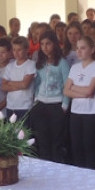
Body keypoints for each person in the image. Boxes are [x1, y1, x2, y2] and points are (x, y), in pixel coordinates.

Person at [30, 31, 70, 163]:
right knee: (42, 140)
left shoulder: (62, 63)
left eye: (48, 44)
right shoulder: (40, 62)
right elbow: (37, 82)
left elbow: (67, 84)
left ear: (54, 44)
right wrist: (36, 99)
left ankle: (57, 168)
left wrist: (64, 104)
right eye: (42, 44)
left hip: (56, 104)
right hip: (41, 103)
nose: (45, 47)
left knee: (56, 141)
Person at [64, 36, 95, 169]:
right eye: (77, 48)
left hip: (91, 112)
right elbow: (65, 91)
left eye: (83, 48)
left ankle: (91, 174)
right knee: (76, 146)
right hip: (76, 111)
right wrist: (81, 92)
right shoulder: (74, 67)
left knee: (89, 145)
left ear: (92, 50)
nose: (79, 51)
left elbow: (90, 91)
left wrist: (73, 87)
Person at [2, 37, 37, 122]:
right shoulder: (10, 66)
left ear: (26, 50)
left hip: (24, 106)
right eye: (14, 50)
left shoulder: (30, 65)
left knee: (24, 134)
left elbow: (25, 84)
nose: (16, 53)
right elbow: (3, 86)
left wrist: (9, 83)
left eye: (19, 50)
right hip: (10, 106)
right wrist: (20, 85)